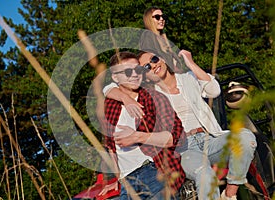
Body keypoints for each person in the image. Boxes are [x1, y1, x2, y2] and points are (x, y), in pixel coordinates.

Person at [103, 50, 257, 200]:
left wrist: (190, 63)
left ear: (162, 59)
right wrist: (125, 98)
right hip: (184, 148)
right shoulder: (150, 94)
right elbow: (109, 88)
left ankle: (230, 194)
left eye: (154, 59)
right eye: (147, 67)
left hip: (210, 138)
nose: (153, 65)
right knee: (204, 175)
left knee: (246, 136)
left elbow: (214, 90)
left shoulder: (188, 78)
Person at [100, 51, 185, 199]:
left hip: (153, 170)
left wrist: (137, 137)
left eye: (137, 69)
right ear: (115, 77)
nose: (134, 75)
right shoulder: (110, 106)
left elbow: (175, 137)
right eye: (127, 71)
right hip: (127, 180)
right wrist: (117, 177)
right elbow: (110, 145)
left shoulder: (155, 98)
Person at [139, 6, 187, 73]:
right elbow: (152, 62)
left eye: (163, 16)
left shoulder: (163, 38)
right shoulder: (148, 36)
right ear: (149, 20)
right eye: (157, 17)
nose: (161, 19)